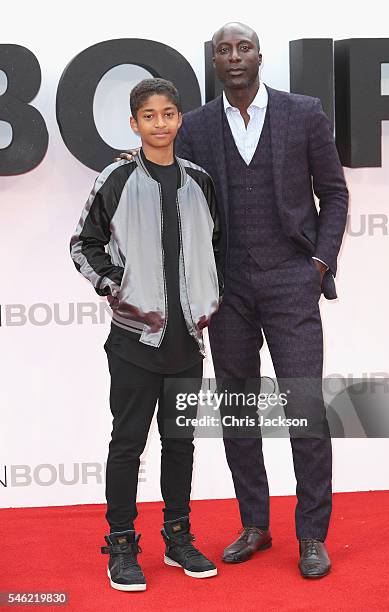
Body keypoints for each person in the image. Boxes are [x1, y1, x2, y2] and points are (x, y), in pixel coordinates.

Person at [121, 22, 349, 578]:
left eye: (243, 47)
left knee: (304, 409)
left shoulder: (304, 112)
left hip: (292, 282)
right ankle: (255, 524)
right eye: (223, 50)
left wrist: (318, 264)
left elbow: (335, 192)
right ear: (214, 63)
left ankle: (312, 534)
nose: (234, 57)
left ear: (259, 56)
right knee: (239, 411)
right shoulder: (194, 125)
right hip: (227, 292)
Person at [70, 78, 223, 591]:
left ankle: (178, 538)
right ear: (134, 124)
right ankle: (120, 544)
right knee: (128, 443)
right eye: (149, 115)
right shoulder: (115, 177)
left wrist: (206, 298)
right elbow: (83, 244)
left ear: (180, 120)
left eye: (169, 113)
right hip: (134, 341)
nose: (161, 123)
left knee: (180, 444)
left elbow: (214, 244)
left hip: (187, 343)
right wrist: (115, 287)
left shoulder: (199, 180)